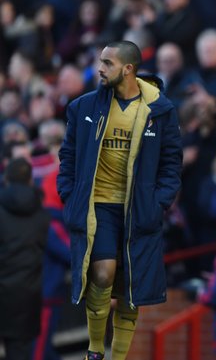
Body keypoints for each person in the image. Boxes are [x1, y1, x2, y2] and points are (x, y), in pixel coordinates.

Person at [56, 40, 182, 360]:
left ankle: (119, 357)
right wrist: (69, 196)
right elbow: (68, 155)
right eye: (100, 61)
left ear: (128, 69)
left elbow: (172, 163)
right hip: (98, 205)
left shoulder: (160, 111)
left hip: (138, 209)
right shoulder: (83, 107)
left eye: (107, 63)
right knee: (101, 273)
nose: (100, 68)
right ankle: (96, 349)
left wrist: (159, 203)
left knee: (132, 289)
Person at [0, 158, 50, 360]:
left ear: (6, 179)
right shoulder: (42, 214)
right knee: (19, 353)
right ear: (31, 180)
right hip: (26, 294)